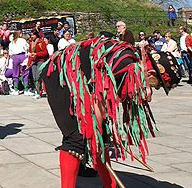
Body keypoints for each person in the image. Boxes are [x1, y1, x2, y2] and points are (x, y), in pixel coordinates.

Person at [39, 34, 156, 188]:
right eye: (155, 85)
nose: (151, 93)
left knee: (100, 136)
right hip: (59, 75)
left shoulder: (130, 65)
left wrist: (100, 130)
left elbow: (104, 97)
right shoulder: (125, 65)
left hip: (82, 77)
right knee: (77, 137)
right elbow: (99, 99)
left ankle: (110, 185)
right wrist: (95, 128)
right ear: (150, 73)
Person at [28, 30, 49, 97]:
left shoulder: (41, 42)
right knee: (34, 77)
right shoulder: (31, 43)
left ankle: (39, 91)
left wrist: (37, 54)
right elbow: (30, 54)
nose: (31, 37)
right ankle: (36, 91)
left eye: (33, 35)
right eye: (31, 35)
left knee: (38, 76)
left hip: (40, 60)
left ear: (36, 35)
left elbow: (45, 53)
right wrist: (29, 63)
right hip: (34, 61)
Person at [7, 31, 28, 95]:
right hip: (23, 55)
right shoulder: (22, 40)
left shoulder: (11, 43)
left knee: (15, 73)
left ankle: (16, 89)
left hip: (15, 57)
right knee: (25, 72)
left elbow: (10, 53)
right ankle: (26, 89)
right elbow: (26, 48)